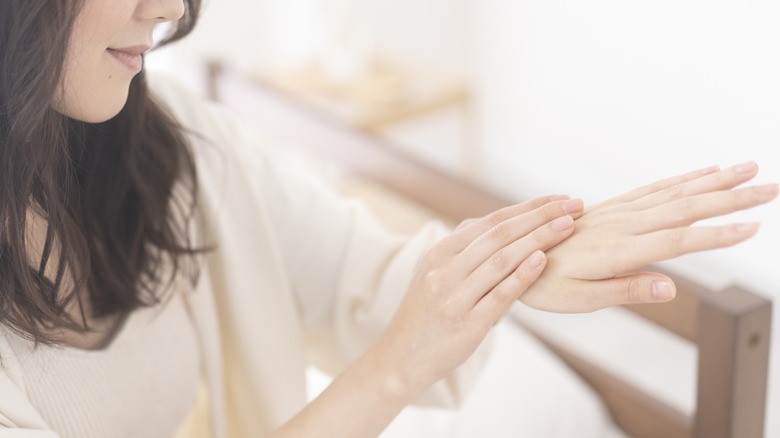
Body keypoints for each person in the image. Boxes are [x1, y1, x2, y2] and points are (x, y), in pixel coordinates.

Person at [0, 0, 776, 437]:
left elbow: (358, 271)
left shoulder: (163, 143)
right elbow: (400, 339)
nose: (168, 8)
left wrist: (526, 260)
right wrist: (397, 364)